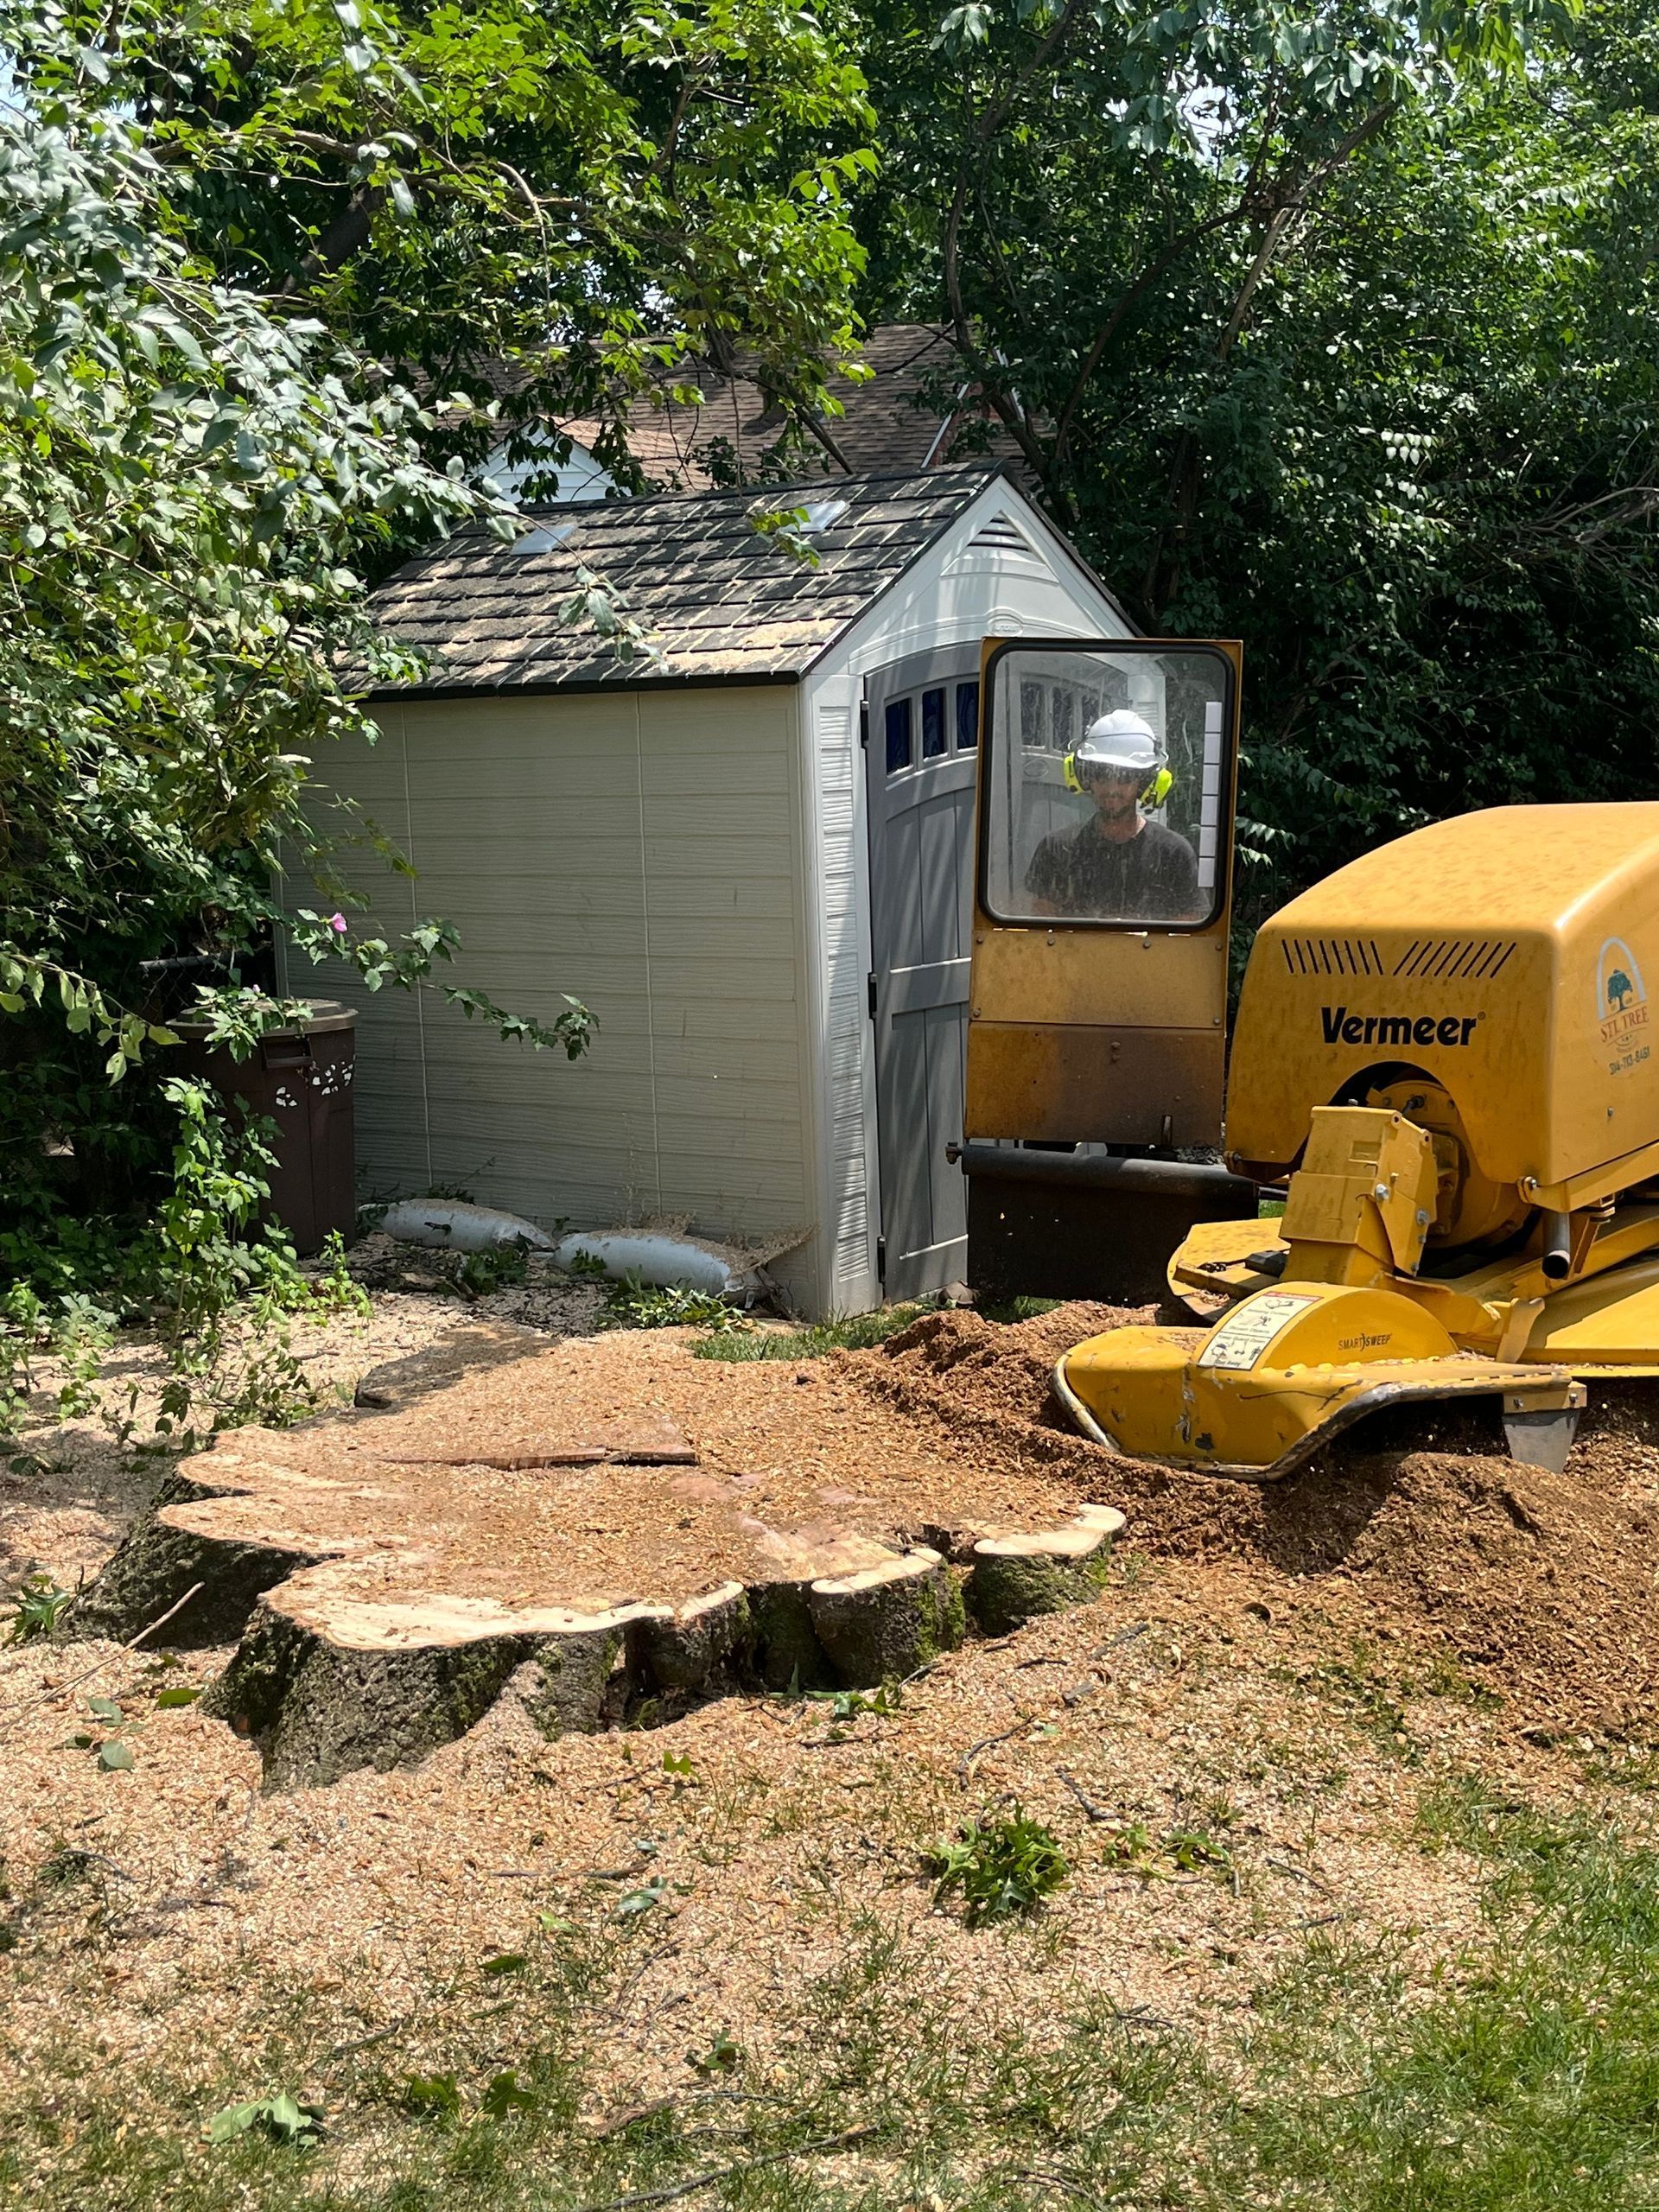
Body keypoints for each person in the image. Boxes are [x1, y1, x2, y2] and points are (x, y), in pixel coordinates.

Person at [1025, 709, 1199, 921]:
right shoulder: (1057, 848)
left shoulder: (1173, 853)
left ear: (1144, 783)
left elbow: (1187, 938)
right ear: (1084, 777)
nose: (1112, 789)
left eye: (1124, 777)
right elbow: (1039, 932)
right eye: (1102, 775)